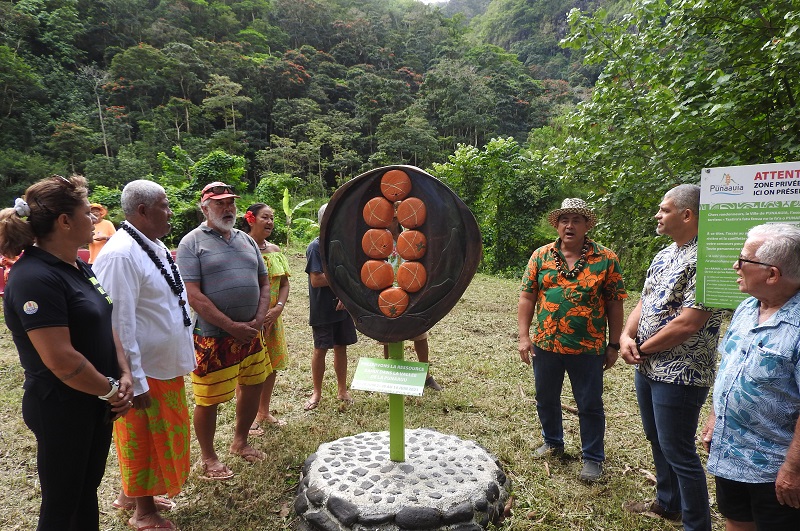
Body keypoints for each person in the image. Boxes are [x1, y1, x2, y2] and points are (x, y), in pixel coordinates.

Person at [0, 175, 133, 530]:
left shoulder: (78, 266)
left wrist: (124, 375)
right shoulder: (34, 277)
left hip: (96, 399)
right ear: (64, 221)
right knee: (62, 504)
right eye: (87, 213)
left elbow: (106, 320)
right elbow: (60, 359)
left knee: (84, 492)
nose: (94, 220)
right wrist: (110, 389)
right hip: (61, 406)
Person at [620, 184, 725, 531]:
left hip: (681, 372)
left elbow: (689, 323)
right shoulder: (666, 254)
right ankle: (667, 504)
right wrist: (625, 336)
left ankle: (697, 524)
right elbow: (644, 301)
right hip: (647, 366)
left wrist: (641, 347)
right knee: (656, 438)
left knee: (679, 450)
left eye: (664, 209)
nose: (658, 215)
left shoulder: (708, 259)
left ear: (687, 214)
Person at [93, 180, 196, 531]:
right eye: (165, 206)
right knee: (143, 439)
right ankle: (143, 512)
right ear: (143, 211)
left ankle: (134, 495)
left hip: (161, 364)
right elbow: (118, 324)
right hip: (143, 371)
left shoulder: (151, 244)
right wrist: (133, 380)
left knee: (158, 436)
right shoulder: (121, 254)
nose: (171, 212)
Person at [517, 198, 626, 483]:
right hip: (546, 343)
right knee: (546, 397)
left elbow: (615, 303)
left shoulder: (606, 259)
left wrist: (613, 344)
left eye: (576, 220)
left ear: (587, 225)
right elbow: (527, 296)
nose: (569, 225)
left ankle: (593, 457)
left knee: (589, 402)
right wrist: (523, 337)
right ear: (557, 224)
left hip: (587, 346)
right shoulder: (541, 256)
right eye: (564, 220)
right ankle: (553, 442)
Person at [700, 223, 800, 530]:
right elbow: (732, 366)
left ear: (772, 274)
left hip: (773, 469)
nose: (735, 265)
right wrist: (716, 416)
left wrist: (793, 468)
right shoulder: (746, 308)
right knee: (737, 521)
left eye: (744, 260)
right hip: (731, 454)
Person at [177, 181, 270, 480]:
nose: (227, 208)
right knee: (209, 398)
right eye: (219, 203)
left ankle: (240, 442)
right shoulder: (191, 242)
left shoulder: (246, 239)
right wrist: (231, 326)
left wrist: (257, 320)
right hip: (212, 336)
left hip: (252, 334)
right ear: (205, 208)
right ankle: (209, 457)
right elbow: (193, 295)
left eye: (230, 202)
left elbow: (264, 282)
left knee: (254, 383)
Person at [241, 203, 290, 431]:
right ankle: (246, 420)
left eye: (272, 218)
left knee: (272, 367)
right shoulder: (240, 247)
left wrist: (278, 307)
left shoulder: (275, 250)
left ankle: (263, 412)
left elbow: (285, 283)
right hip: (251, 319)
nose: (270, 222)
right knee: (249, 370)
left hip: (273, 318)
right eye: (265, 217)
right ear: (251, 219)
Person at [304, 203, 357, 410]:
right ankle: (316, 392)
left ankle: (342, 390)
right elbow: (316, 280)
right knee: (321, 348)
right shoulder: (315, 247)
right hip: (323, 307)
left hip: (343, 306)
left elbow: (352, 274)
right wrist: (342, 282)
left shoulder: (342, 245)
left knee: (341, 347)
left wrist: (345, 293)